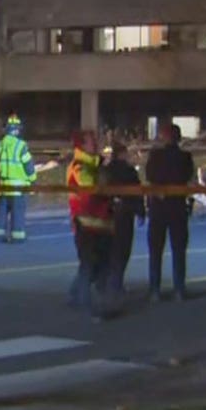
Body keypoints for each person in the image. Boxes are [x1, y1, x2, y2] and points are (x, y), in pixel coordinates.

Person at [67, 129, 114, 320]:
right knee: (90, 266)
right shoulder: (80, 167)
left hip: (100, 222)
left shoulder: (93, 164)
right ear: (81, 146)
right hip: (87, 223)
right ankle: (89, 307)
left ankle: (76, 295)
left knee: (95, 266)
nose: (95, 144)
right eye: (91, 141)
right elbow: (91, 192)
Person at [144, 123, 194, 301]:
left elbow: (149, 176)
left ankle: (154, 289)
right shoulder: (185, 157)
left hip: (159, 206)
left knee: (155, 251)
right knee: (179, 250)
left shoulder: (155, 156)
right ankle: (179, 288)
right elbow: (188, 176)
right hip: (178, 206)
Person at [100, 142, 144, 295]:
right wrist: (141, 211)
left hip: (108, 213)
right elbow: (137, 191)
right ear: (122, 153)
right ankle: (116, 283)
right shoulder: (128, 170)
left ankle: (106, 282)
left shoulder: (105, 170)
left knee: (109, 248)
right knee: (123, 248)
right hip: (125, 213)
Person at [0, 114, 36, 243]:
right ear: (17, 129)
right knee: (17, 213)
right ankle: (17, 237)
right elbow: (28, 166)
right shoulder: (21, 146)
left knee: (1, 212)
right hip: (18, 188)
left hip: (3, 186)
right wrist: (33, 180)